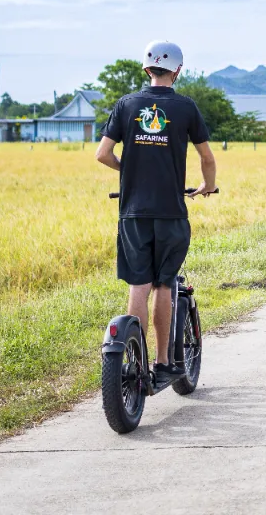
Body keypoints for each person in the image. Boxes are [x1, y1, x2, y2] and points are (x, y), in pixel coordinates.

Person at [95, 40, 217, 387]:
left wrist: (129, 173)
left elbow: (103, 154)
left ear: (146, 68)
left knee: (139, 282)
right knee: (165, 282)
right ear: (178, 70)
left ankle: (137, 361)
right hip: (171, 212)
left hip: (133, 212)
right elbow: (207, 158)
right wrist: (206, 186)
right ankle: (163, 362)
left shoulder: (126, 105)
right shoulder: (186, 107)